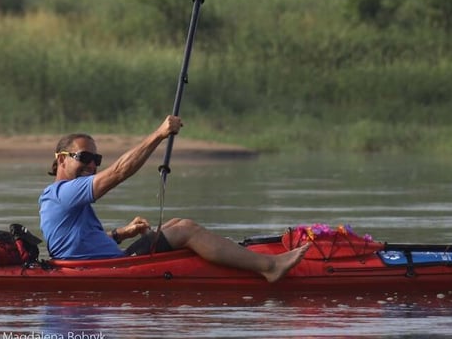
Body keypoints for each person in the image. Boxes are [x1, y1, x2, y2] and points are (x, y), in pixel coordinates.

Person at [39, 115, 309, 282]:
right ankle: (270, 266)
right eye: (84, 158)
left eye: (96, 159)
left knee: (175, 223)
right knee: (185, 230)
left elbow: (76, 242)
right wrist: (159, 134)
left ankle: (241, 258)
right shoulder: (64, 192)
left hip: (104, 258)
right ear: (62, 159)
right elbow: (119, 172)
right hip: (105, 268)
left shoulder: (56, 197)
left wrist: (123, 232)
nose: (91, 165)